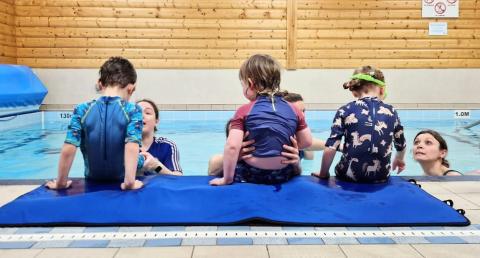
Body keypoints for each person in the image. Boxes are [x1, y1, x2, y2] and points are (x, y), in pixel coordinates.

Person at [209, 54, 312, 186]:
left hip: (252, 173)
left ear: (250, 84)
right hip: (284, 173)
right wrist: (291, 147)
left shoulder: (244, 110)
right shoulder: (293, 109)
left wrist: (227, 179)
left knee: (220, 171)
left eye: (243, 84)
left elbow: (232, 147)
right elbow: (307, 141)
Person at [46, 57, 144, 190]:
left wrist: (61, 182)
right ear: (131, 88)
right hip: (120, 179)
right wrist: (130, 182)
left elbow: (69, 147)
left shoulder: (82, 109)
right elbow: (132, 145)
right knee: (142, 157)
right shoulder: (133, 110)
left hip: (93, 179)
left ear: (99, 84)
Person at [313, 65, 406, 183]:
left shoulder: (345, 110)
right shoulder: (392, 111)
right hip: (381, 176)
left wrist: (323, 173)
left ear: (354, 92)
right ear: (382, 89)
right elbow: (401, 144)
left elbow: (331, 146)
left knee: (342, 165)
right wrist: (399, 159)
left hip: (348, 176)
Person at [136, 99, 182, 176]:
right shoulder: (122, 146)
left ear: (156, 121)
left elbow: (178, 177)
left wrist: (156, 167)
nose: (142, 115)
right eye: (137, 112)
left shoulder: (167, 146)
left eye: (148, 113)